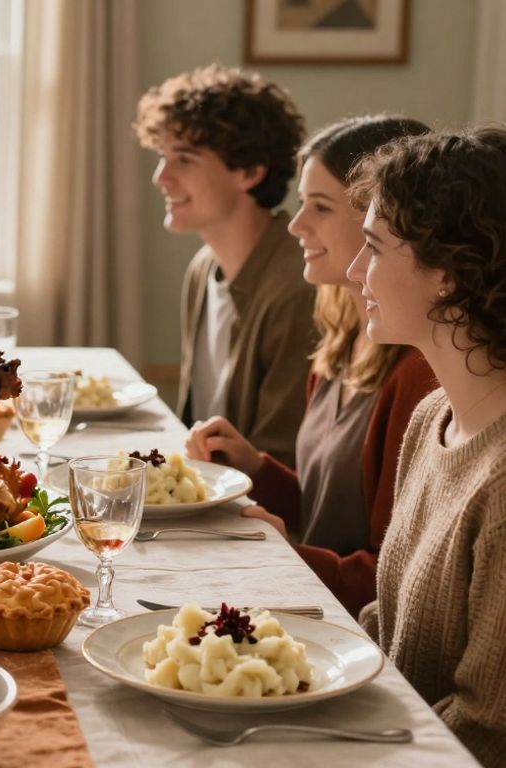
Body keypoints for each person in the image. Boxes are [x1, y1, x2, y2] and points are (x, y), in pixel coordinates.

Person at [184, 116, 436, 615]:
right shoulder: (341, 340)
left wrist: (289, 558)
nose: (296, 224)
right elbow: (332, 510)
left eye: (319, 208)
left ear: (378, 221)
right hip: (312, 600)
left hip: (347, 624)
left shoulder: (417, 373)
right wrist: (257, 468)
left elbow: (393, 574)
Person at [349, 127, 506, 764]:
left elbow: (488, 729)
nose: (355, 271)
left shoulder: (501, 484)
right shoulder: (433, 417)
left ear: (447, 273)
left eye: (374, 247)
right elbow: (387, 627)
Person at [134, 64, 314, 467]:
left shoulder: (297, 289)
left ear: (249, 172)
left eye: (184, 159)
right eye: (163, 157)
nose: (161, 177)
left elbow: (280, 461)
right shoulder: (203, 269)